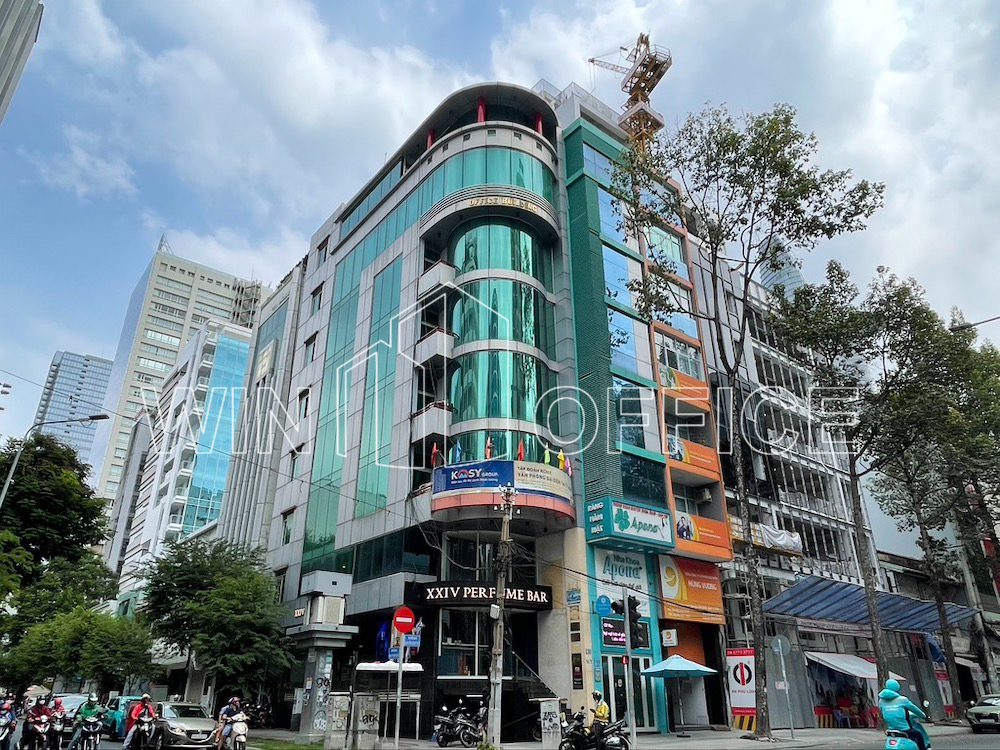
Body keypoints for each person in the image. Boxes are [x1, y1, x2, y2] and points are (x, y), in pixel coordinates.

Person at [878, 679, 931, 750]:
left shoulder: (881, 701)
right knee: (918, 734)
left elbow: (882, 711)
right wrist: (923, 715)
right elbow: (915, 709)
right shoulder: (902, 700)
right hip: (904, 729)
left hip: (891, 729)